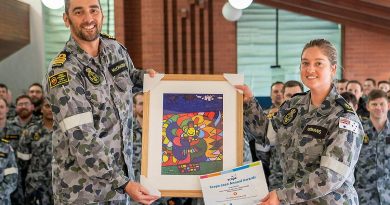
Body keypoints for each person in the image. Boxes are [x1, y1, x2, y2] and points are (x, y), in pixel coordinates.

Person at [43, 0, 159, 204]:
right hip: (84, 194)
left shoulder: (115, 50)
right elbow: (82, 138)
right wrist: (124, 183)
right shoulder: (63, 71)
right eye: (79, 12)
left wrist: (155, 81)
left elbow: (129, 76)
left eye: (93, 10)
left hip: (120, 188)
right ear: (66, 19)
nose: (88, 18)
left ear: (101, 14)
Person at [237, 39, 364, 204]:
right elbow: (267, 135)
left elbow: (330, 176)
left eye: (319, 63)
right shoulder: (293, 105)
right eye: (305, 63)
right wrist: (249, 102)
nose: (310, 69)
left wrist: (283, 196)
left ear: (333, 68)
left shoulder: (344, 117)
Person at [355, 89, 390, 204]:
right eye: (374, 104)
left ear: (388, 105)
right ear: (367, 106)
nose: (378, 107)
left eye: (382, 104)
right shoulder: (358, 131)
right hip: (363, 195)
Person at [18, 99, 54, 204]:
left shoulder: (65, 131)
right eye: (47, 106)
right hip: (36, 186)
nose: (51, 109)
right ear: (42, 109)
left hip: (61, 185)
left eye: (54, 106)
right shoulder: (31, 131)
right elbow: (22, 162)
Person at [0, 97, 19, 204]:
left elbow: (11, 174)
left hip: (8, 190)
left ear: (7, 109)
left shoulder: (16, 129)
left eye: (1, 107)